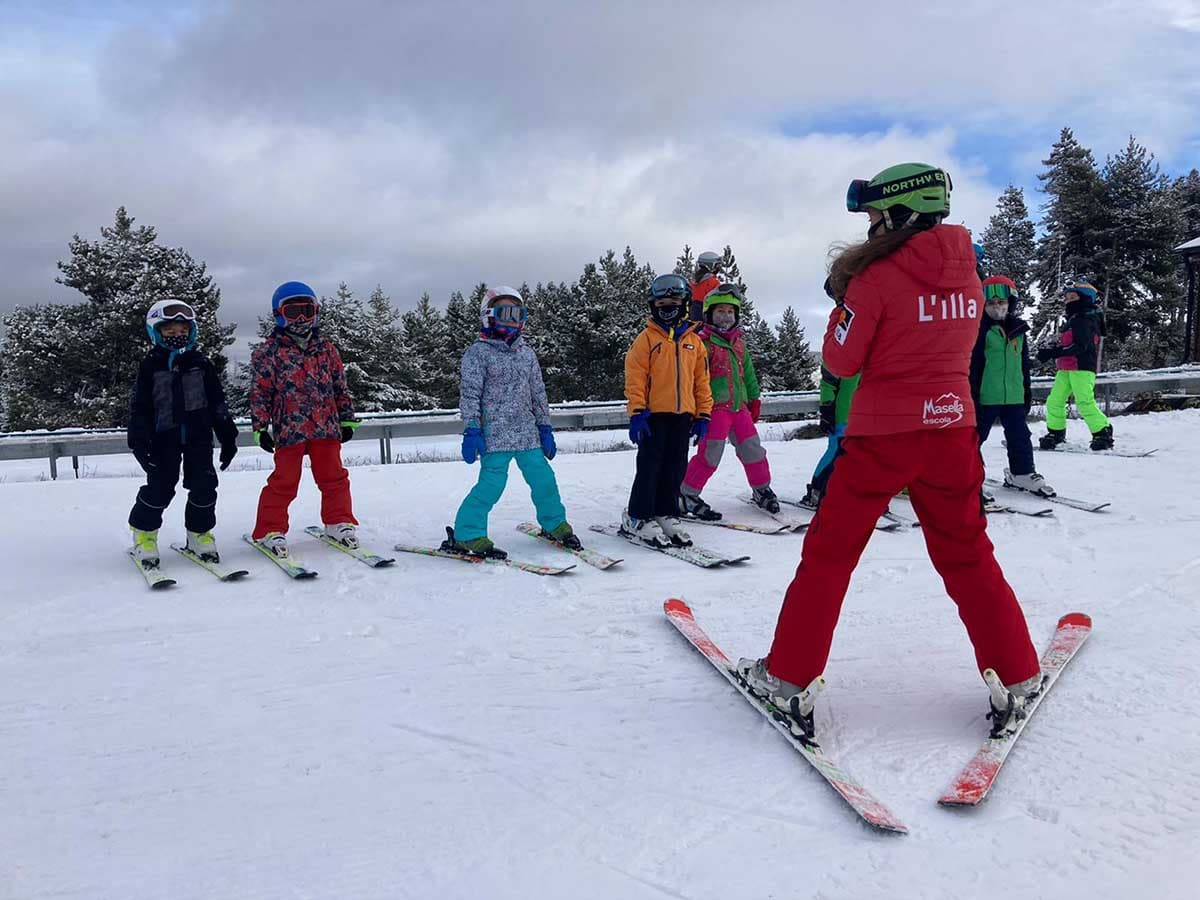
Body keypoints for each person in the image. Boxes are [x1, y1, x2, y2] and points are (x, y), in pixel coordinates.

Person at [735, 163, 1042, 744]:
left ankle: (789, 679)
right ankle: (1019, 674)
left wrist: (842, 306)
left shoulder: (874, 279)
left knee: (829, 557)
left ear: (902, 210)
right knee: (969, 554)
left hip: (883, 437)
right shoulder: (971, 277)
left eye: (876, 215)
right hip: (952, 432)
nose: (872, 227)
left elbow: (841, 362)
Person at [442, 286, 578, 559]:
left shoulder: (527, 353)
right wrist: (472, 429)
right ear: (489, 315)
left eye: (518, 313)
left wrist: (545, 426)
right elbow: (470, 394)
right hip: (495, 436)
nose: (513, 320)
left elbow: (538, 392)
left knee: (544, 481)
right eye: (506, 313)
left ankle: (554, 524)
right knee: (490, 487)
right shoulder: (478, 353)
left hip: (527, 434)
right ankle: (467, 532)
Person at [249, 281, 361, 556]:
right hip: (290, 429)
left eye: (306, 311)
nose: (300, 318)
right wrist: (260, 426)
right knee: (284, 481)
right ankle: (270, 529)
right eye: (293, 311)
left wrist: (346, 419)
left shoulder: (327, 349)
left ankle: (338, 521)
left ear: (316, 312)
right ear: (279, 314)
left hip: (326, 426)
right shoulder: (268, 352)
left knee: (334, 477)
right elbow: (260, 392)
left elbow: (339, 385)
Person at [128, 299, 239, 567]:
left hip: (199, 438)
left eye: (182, 330)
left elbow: (217, 402)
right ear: (156, 332)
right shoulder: (150, 366)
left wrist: (227, 436)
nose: (177, 336)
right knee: (160, 488)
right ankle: (144, 535)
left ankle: (199, 534)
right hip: (162, 439)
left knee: (205, 487)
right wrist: (139, 443)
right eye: (169, 331)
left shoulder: (201, 364)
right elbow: (140, 408)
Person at [623, 273, 713, 547]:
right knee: (650, 467)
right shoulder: (646, 340)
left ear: (684, 304)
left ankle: (666, 512)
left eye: (674, 303)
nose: (667, 309)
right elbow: (635, 377)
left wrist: (703, 414)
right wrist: (637, 412)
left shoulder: (694, 342)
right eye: (662, 304)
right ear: (653, 307)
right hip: (653, 416)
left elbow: (701, 381)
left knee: (675, 468)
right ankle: (638, 516)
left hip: (682, 415)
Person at [679, 282, 778, 519]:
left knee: (753, 450)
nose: (726, 316)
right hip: (714, 410)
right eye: (721, 311)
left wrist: (753, 398)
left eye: (731, 312)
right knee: (710, 454)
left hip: (739, 408)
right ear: (710, 314)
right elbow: (695, 379)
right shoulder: (703, 343)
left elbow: (749, 374)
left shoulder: (739, 343)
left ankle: (761, 489)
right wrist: (695, 411)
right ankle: (686, 494)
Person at [970, 276, 1054, 496]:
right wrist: (972, 395)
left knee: (1020, 436)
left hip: (1014, 396)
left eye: (1001, 302)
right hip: (986, 396)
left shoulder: (1018, 330)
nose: (997, 307)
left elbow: (1023, 365)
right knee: (974, 439)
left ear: (1010, 303)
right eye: (991, 303)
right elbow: (974, 365)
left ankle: (1022, 472)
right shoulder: (979, 330)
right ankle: (964, 477)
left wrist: (1026, 392)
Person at [1036, 282, 1112, 451]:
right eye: (1067, 298)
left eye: (1073, 297)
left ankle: (1102, 432)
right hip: (1066, 368)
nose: (1068, 301)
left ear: (1084, 299)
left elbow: (1081, 346)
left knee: (1084, 401)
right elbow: (1069, 344)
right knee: (1054, 400)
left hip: (1082, 367)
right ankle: (1056, 432)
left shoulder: (1085, 318)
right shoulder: (1074, 319)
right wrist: (1053, 349)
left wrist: (1053, 353)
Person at [688, 250, 723, 323]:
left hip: (691, 318)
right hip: (706, 319)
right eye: (717, 265)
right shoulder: (713, 282)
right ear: (711, 266)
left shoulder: (692, 281)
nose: (718, 268)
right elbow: (718, 303)